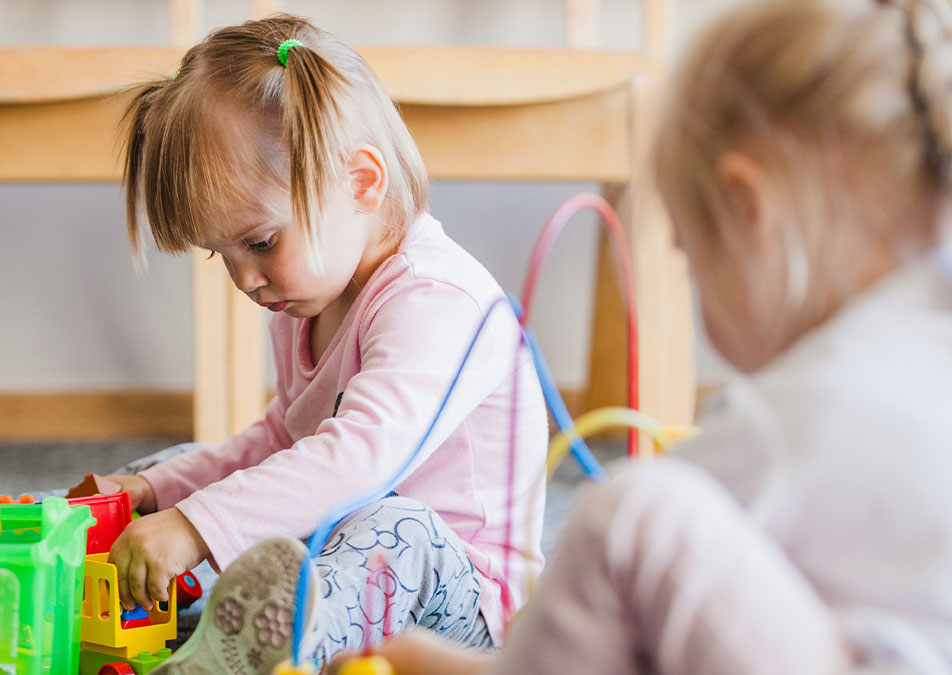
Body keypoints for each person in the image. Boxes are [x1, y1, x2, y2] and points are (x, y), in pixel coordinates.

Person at [326, 0, 952, 672]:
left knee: (628, 514)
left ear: (748, 210)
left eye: (686, 251)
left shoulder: (789, 418)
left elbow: (608, 589)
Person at [104, 14, 549, 673]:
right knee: (178, 472)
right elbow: (285, 440)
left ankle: (248, 649)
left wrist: (198, 525)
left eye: (259, 242)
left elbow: (357, 460)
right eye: (220, 255)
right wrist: (158, 493)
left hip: (464, 608)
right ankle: (173, 603)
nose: (245, 279)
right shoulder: (304, 296)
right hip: (337, 552)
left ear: (362, 182)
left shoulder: (437, 297)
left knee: (399, 531)